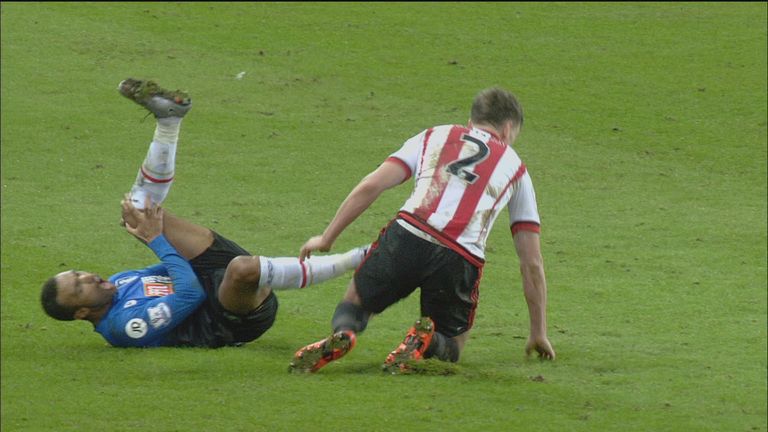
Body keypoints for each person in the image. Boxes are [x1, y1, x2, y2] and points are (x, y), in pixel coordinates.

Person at [40, 79, 368, 348]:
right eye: (81, 287)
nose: (88, 277)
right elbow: (190, 293)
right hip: (228, 319)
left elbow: (173, 267)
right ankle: (360, 257)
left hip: (208, 284)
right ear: (82, 312)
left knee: (136, 214)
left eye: (79, 273)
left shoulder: (121, 281)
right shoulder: (125, 327)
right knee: (242, 269)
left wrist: (161, 239)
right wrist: (156, 241)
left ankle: (169, 120)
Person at [289, 87, 555, 373]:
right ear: (508, 128)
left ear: (471, 120)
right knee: (453, 344)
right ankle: (427, 342)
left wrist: (327, 237)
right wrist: (538, 331)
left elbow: (372, 185)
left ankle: (345, 332)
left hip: (408, 234)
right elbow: (531, 262)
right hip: (460, 257)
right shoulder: (516, 169)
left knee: (356, 300)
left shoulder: (433, 135)